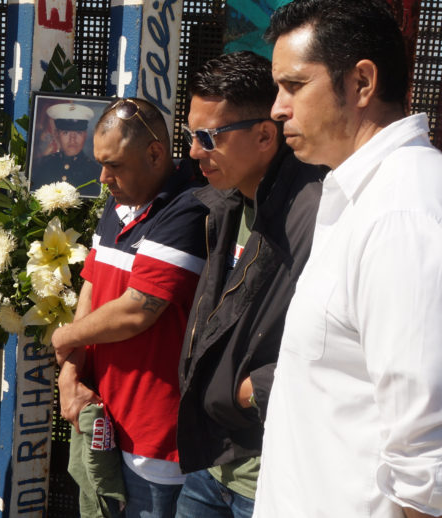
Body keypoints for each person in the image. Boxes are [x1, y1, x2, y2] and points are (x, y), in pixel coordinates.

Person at [255, 1, 442, 517]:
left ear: (361, 82)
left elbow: (427, 464)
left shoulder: (403, 214)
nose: (277, 108)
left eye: (294, 86)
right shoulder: (360, 195)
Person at [174, 51, 324, 518]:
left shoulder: (317, 213)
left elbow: (342, 340)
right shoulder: (226, 203)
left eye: (208, 137)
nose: (195, 152)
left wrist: (252, 389)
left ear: (264, 135)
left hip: (269, 478)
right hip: (208, 465)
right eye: (190, 136)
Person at [52, 97, 207, 517]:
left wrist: (63, 337)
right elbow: (92, 286)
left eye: (115, 165)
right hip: (103, 416)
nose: (103, 178)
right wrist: (69, 374)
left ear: (155, 154)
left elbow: (138, 308)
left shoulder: (189, 205)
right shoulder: (121, 200)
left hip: (154, 437)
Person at [35, 102, 103, 197]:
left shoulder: (96, 171)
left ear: (85, 135)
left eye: (78, 132)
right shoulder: (42, 166)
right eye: (66, 132)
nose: (72, 139)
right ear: (56, 134)